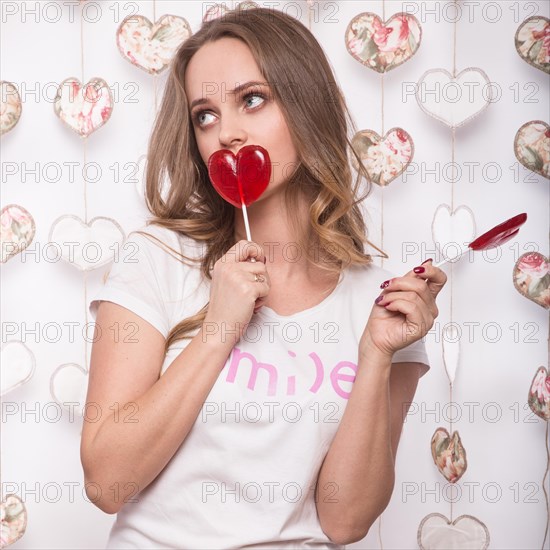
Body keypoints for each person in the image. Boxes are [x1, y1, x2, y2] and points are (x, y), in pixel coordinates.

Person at [82, 7, 447, 549]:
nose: (227, 133)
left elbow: (344, 522)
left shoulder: (383, 306)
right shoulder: (156, 258)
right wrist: (219, 329)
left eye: (252, 100)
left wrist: (376, 352)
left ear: (305, 105)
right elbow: (107, 482)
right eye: (205, 115)